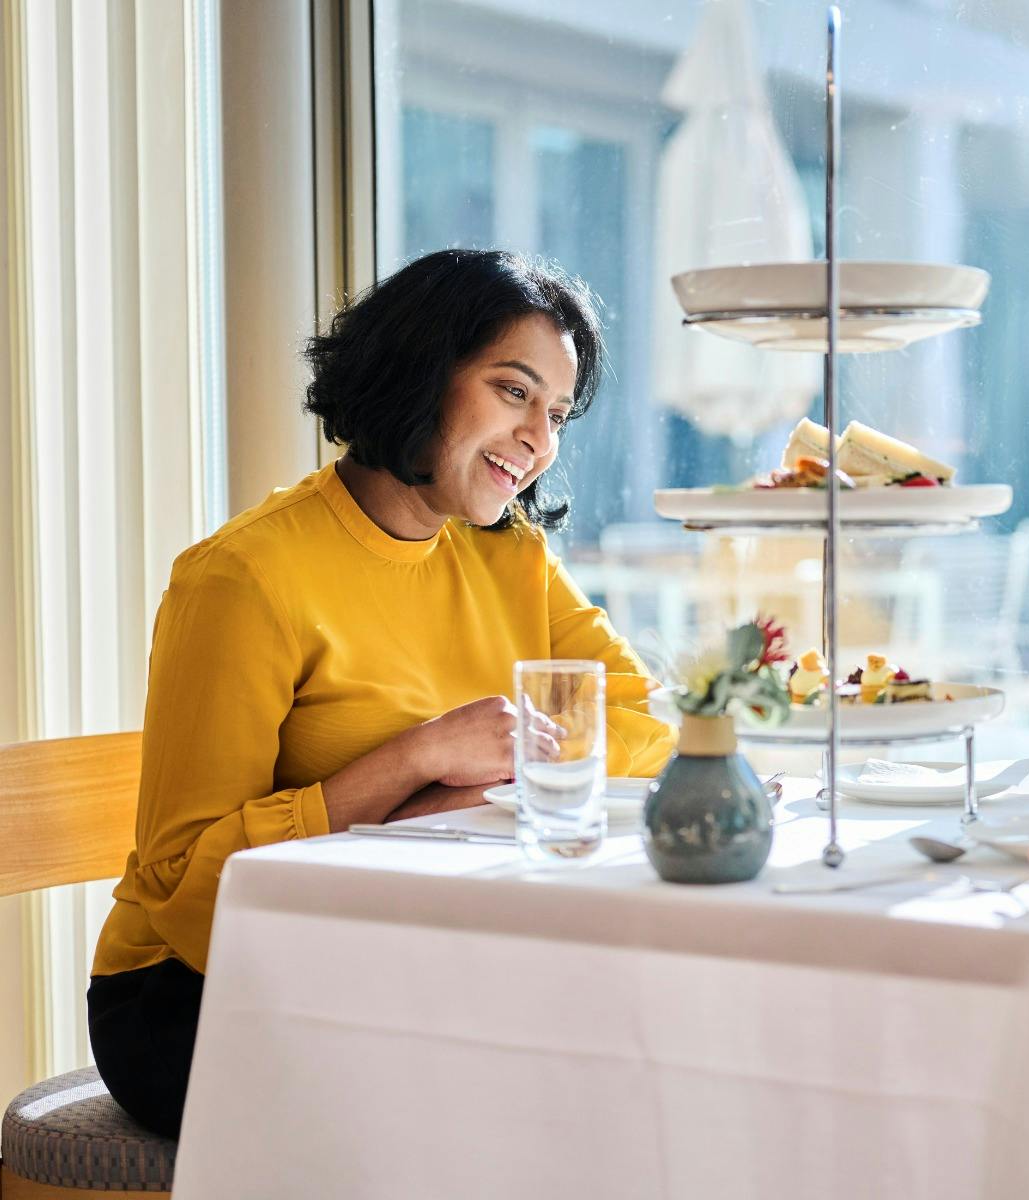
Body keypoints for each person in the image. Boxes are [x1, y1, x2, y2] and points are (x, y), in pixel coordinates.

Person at [87, 249, 676, 1138]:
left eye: (556, 413)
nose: (540, 440)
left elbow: (648, 724)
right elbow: (183, 887)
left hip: (415, 948)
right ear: (419, 368)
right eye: (513, 392)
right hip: (202, 993)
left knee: (637, 1048)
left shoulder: (507, 554)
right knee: (543, 1095)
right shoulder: (244, 578)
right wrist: (415, 764)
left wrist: (497, 771)